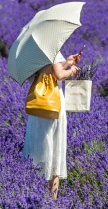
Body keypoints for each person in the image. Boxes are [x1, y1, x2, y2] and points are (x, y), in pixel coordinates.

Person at [23, 50, 81, 199]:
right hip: (53, 107)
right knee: (54, 151)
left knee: (37, 151)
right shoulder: (51, 48)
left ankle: (31, 195)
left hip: (38, 108)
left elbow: (49, 68)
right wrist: (71, 70)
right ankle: (52, 200)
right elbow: (58, 75)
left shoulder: (32, 53)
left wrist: (67, 62)